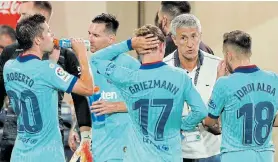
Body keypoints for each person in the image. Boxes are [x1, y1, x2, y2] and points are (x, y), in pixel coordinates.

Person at [90, 24, 208, 162]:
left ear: (139, 50)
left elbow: (96, 59)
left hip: (137, 157)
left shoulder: (128, 78)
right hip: (170, 156)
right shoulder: (180, 77)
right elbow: (200, 111)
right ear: (162, 46)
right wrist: (181, 125)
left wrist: (129, 44)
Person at [0, 2, 92, 161]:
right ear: (37, 39)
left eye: (23, 15)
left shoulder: (9, 66)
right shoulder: (48, 68)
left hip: (20, 152)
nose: (52, 35)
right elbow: (88, 89)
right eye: (49, 32)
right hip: (47, 154)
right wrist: (82, 55)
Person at [69, 13, 157, 162]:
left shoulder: (131, 66)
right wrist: (76, 128)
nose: (89, 39)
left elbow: (149, 102)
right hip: (98, 149)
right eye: (89, 34)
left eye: (96, 35)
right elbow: (85, 101)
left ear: (111, 39)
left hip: (124, 150)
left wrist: (115, 106)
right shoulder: (89, 66)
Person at [204, 30, 278, 162]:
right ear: (249, 52)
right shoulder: (273, 79)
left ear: (229, 55)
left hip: (235, 156)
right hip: (266, 156)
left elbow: (209, 121)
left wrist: (218, 80)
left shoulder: (224, 83)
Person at [164, 14, 221, 162]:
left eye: (194, 36)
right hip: (177, 153)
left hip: (213, 152)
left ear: (200, 36)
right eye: (183, 38)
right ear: (174, 39)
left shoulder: (218, 66)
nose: (190, 44)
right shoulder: (163, 68)